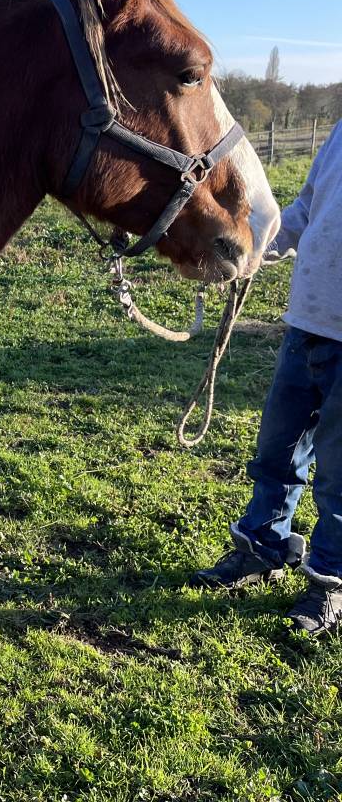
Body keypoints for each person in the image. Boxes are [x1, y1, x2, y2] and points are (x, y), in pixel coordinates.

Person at [191, 124, 342, 637]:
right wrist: (253, 244)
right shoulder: (341, 133)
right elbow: (304, 212)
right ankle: (262, 546)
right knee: (277, 452)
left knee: (339, 476)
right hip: (306, 325)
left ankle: (328, 585)